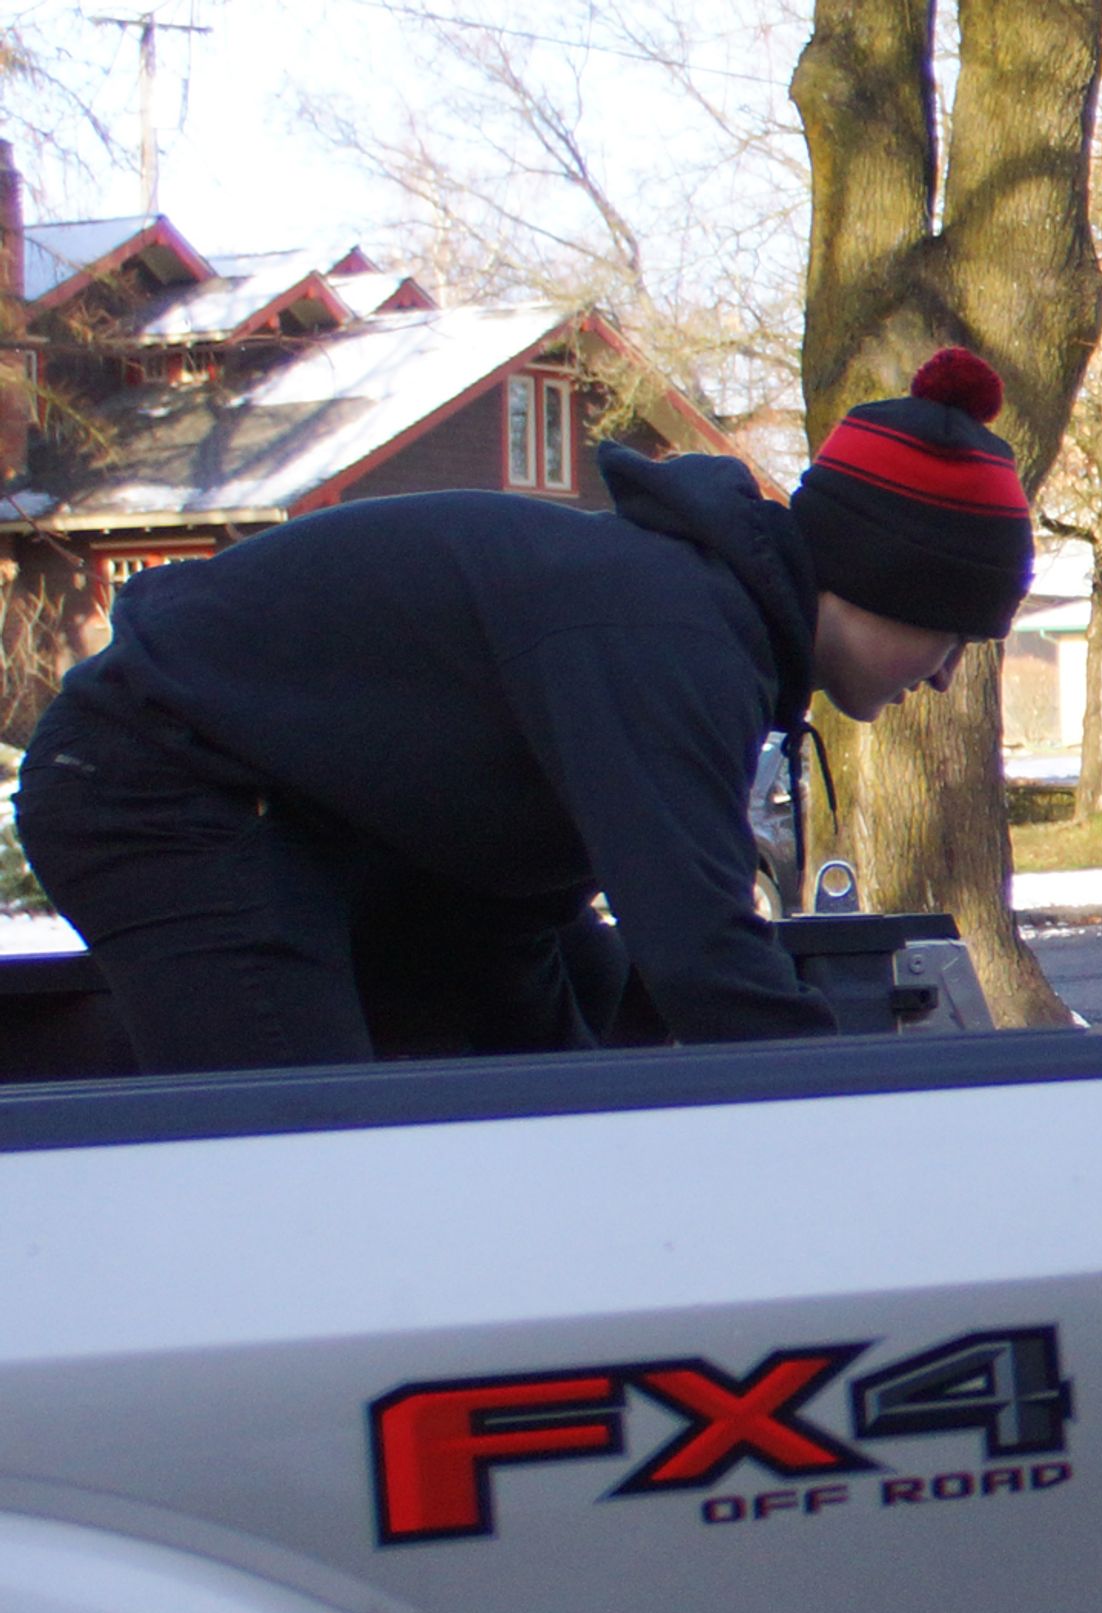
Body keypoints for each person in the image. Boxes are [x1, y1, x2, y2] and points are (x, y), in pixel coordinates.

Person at [18, 346, 1036, 1070]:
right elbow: (705, 959)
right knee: (305, 1158)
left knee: (571, 1004)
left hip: (330, 821)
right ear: (880, 581)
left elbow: (511, 907)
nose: (946, 674)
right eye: (952, 633)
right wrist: (887, 1119)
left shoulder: (700, 627)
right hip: (159, 782)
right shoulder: (668, 638)